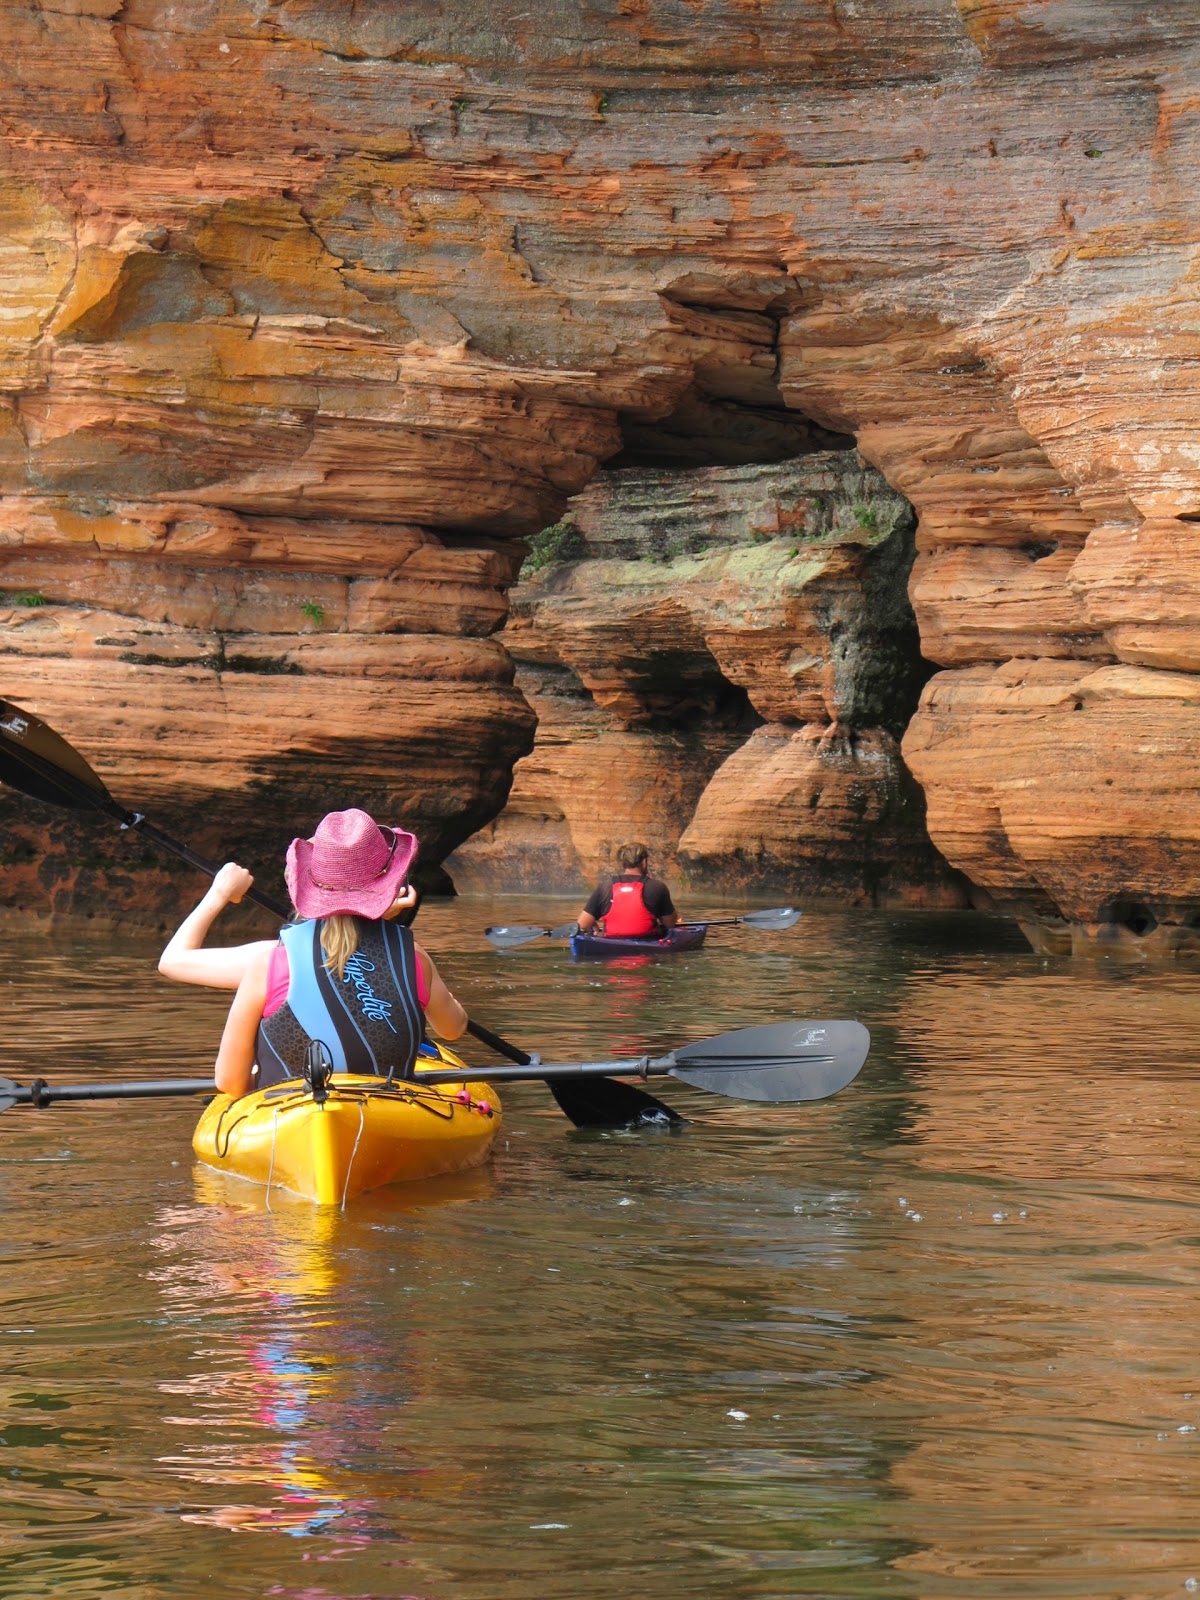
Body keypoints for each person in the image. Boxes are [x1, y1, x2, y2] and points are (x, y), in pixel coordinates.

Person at [158, 809, 468, 1097]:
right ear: (390, 885)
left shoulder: (271, 961)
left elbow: (229, 1082)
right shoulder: (412, 958)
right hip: (388, 1108)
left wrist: (220, 892)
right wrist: (382, 922)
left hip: (292, 1114)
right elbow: (453, 1029)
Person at [576, 842, 680, 940]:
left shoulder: (605, 887)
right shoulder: (657, 887)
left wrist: (596, 930)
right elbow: (670, 923)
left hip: (611, 946)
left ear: (623, 863)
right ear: (644, 862)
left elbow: (582, 924)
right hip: (647, 946)